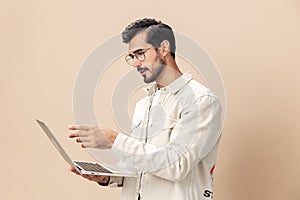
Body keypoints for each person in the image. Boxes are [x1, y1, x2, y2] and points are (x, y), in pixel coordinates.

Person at [69, 18, 222, 200]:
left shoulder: (201, 101)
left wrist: (115, 141)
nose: (135, 63)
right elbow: (142, 166)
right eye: (132, 57)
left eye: (140, 53)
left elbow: (177, 166)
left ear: (164, 48)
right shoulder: (143, 105)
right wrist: (108, 177)